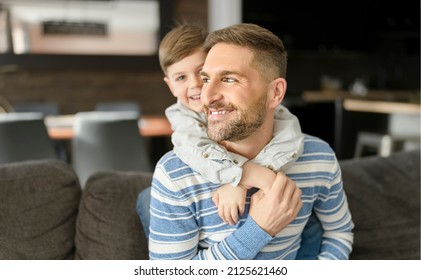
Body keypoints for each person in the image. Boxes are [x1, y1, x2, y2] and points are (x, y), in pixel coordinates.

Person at [146, 23, 354, 260]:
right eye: (207, 79)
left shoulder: (319, 157)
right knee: (145, 200)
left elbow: (339, 232)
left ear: (275, 93)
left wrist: (240, 183)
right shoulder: (176, 171)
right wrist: (259, 229)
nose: (205, 94)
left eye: (229, 79)